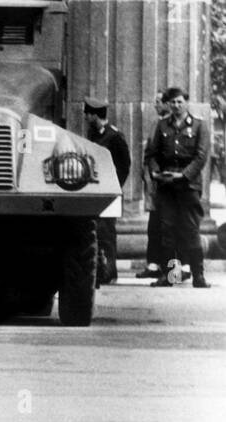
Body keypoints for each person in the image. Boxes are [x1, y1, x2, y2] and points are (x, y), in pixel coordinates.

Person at [144, 87, 211, 288]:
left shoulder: (199, 126)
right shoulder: (162, 125)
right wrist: (156, 172)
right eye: (172, 102)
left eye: (180, 102)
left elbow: (201, 156)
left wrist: (183, 175)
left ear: (186, 103)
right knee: (168, 231)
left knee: (190, 229)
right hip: (166, 185)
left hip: (188, 185)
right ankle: (170, 275)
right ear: (168, 105)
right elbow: (151, 154)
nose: (176, 105)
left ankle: (198, 275)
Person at [84, 98, 130, 286]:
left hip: (110, 192)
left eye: (87, 114)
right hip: (96, 191)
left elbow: (125, 165)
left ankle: (109, 271)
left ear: (95, 115)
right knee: (96, 230)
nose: (85, 117)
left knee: (107, 233)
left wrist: (114, 186)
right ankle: (100, 271)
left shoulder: (115, 136)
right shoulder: (92, 134)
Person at [136, 92, 170, 281]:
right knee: (154, 226)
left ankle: (170, 269)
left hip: (164, 183)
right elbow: (150, 153)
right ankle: (154, 264)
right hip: (154, 182)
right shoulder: (157, 123)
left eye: (159, 101)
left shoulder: (168, 126)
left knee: (167, 227)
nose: (155, 105)